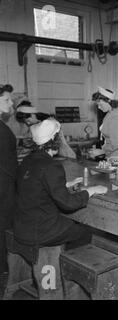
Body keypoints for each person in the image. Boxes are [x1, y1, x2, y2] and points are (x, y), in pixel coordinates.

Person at [13, 119, 107, 250]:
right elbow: (67, 204)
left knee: (70, 225)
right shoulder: (51, 165)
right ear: (55, 139)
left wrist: (66, 184)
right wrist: (91, 191)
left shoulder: (28, 160)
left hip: (22, 225)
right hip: (40, 229)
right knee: (84, 233)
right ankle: (68, 267)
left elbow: (36, 186)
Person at [0, 84, 17, 274]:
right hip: (4, 189)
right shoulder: (1, 130)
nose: (11, 103)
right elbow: (9, 165)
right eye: (6, 99)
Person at [92, 87, 118, 161]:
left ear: (108, 101)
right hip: (114, 155)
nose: (99, 107)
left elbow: (115, 144)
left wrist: (101, 151)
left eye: (100, 104)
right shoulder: (111, 114)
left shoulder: (116, 116)